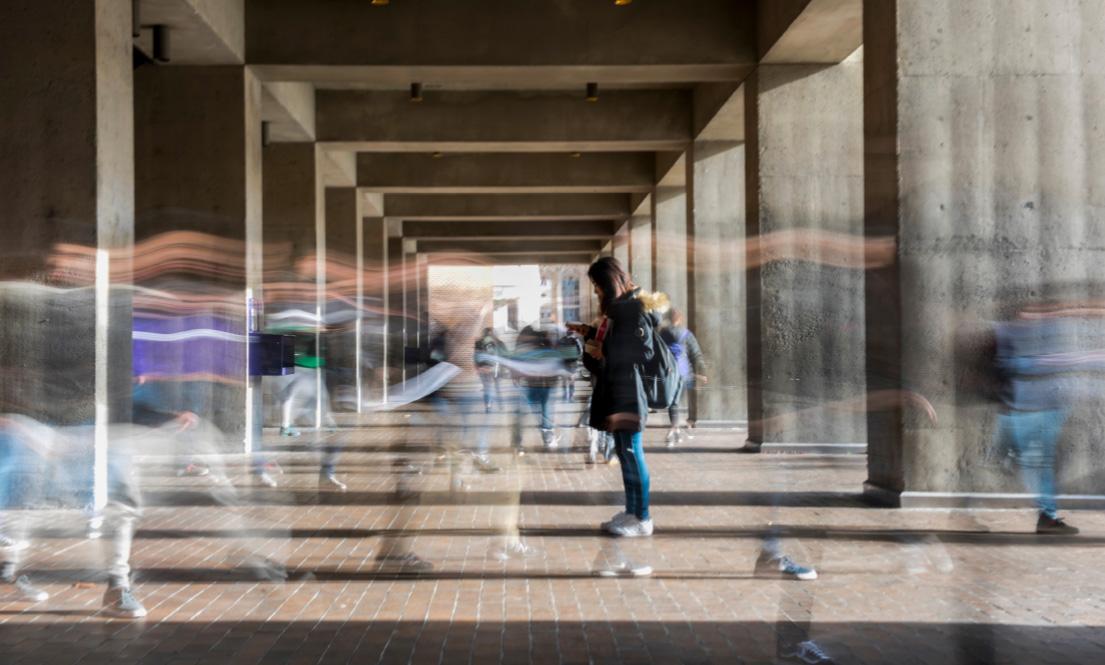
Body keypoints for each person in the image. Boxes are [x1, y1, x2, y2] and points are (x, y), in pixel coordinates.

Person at [569, 257, 659, 538]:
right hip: (617, 391)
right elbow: (619, 343)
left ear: (609, 283)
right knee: (624, 453)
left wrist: (604, 353)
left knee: (632, 453)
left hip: (629, 394)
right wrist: (591, 334)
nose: (596, 291)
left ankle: (643, 518)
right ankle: (632, 512)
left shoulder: (631, 309)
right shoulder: (617, 310)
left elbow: (644, 352)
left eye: (597, 286)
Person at [660, 309, 707, 447]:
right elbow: (696, 354)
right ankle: (676, 428)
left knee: (672, 401)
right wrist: (702, 371)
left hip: (668, 371)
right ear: (680, 319)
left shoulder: (662, 333)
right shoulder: (687, 334)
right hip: (684, 371)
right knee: (677, 400)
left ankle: (674, 427)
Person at [474, 328, 507, 413]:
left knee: (487, 388)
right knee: (497, 387)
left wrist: (477, 367)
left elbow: (475, 355)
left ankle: (488, 406)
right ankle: (500, 404)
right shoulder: (497, 343)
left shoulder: (478, 342)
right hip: (494, 368)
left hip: (482, 368)